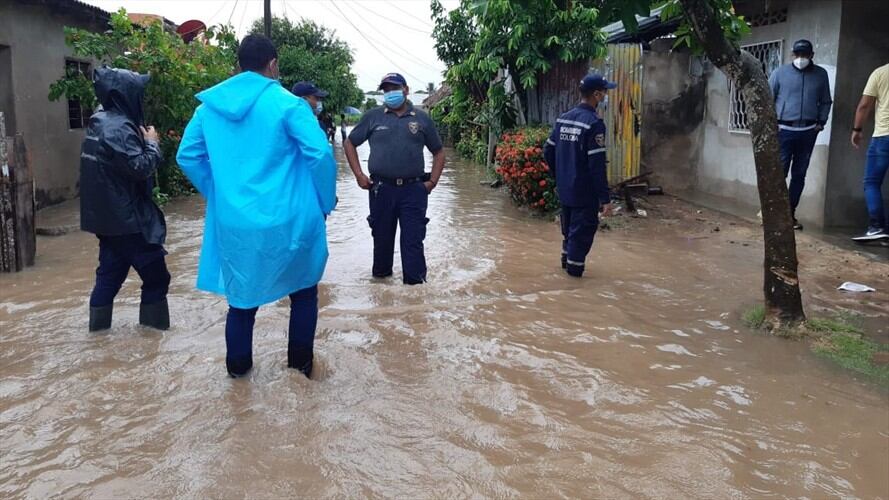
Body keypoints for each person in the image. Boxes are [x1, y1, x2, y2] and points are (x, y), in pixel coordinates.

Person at [176, 35, 336, 379]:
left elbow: (186, 156)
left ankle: (238, 379)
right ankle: (300, 372)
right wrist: (325, 201)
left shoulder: (208, 109)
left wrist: (219, 194)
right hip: (291, 219)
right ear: (273, 65)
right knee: (304, 292)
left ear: (239, 65)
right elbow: (320, 154)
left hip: (235, 223)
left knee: (241, 302)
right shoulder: (290, 105)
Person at [80, 66, 171, 332]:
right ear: (126, 94)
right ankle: (154, 343)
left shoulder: (99, 121)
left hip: (107, 221)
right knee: (157, 279)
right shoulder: (119, 128)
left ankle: (97, 340)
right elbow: (140, 167)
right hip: (129, 220)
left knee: (109, 278)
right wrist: (153, 143)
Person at [344, 72, 445, 284]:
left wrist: (432, 182)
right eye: (386, 90)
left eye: (394, 88)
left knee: (413, 243)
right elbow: (350, 143)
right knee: (381, 242)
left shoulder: (422, 119)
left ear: (406, 90)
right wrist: (359, 175)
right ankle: (381, 297)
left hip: (414, 190)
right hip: (381, 189)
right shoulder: (373, 117)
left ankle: (416, 297)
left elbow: (439, 152)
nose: (390, 93)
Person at [543, 74, 615, 278]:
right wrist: (605, 199)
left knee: (569, 234)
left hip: (565, 190)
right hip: (584, 194)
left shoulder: (563, 119)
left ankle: (565, 273)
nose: (606, 95)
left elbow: (548, 151)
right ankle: (572, 286)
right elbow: (596, 166)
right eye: (605, 91)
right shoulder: (594, 124)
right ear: (596, 94)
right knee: (580, 236)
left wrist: (560, 176)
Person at [768, 39, 833, 230]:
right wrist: (772, 124)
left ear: (812, 55)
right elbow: (768, 98)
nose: (801, 58)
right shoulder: (780, 73)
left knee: (799, 174)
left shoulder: (820, 74)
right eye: (798, 55)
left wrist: (821, 122)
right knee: (780, 172)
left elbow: (826, 101)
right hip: (783, 130)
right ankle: (773, 213)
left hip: (808, 131)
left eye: (805, 55)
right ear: (792, 54)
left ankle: (789, 214)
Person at [851, 63, 889, 242]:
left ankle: (877, 227)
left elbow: (864, 105)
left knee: (871, 182)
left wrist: (857, 129)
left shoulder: (880, 73)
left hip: (884, 136)